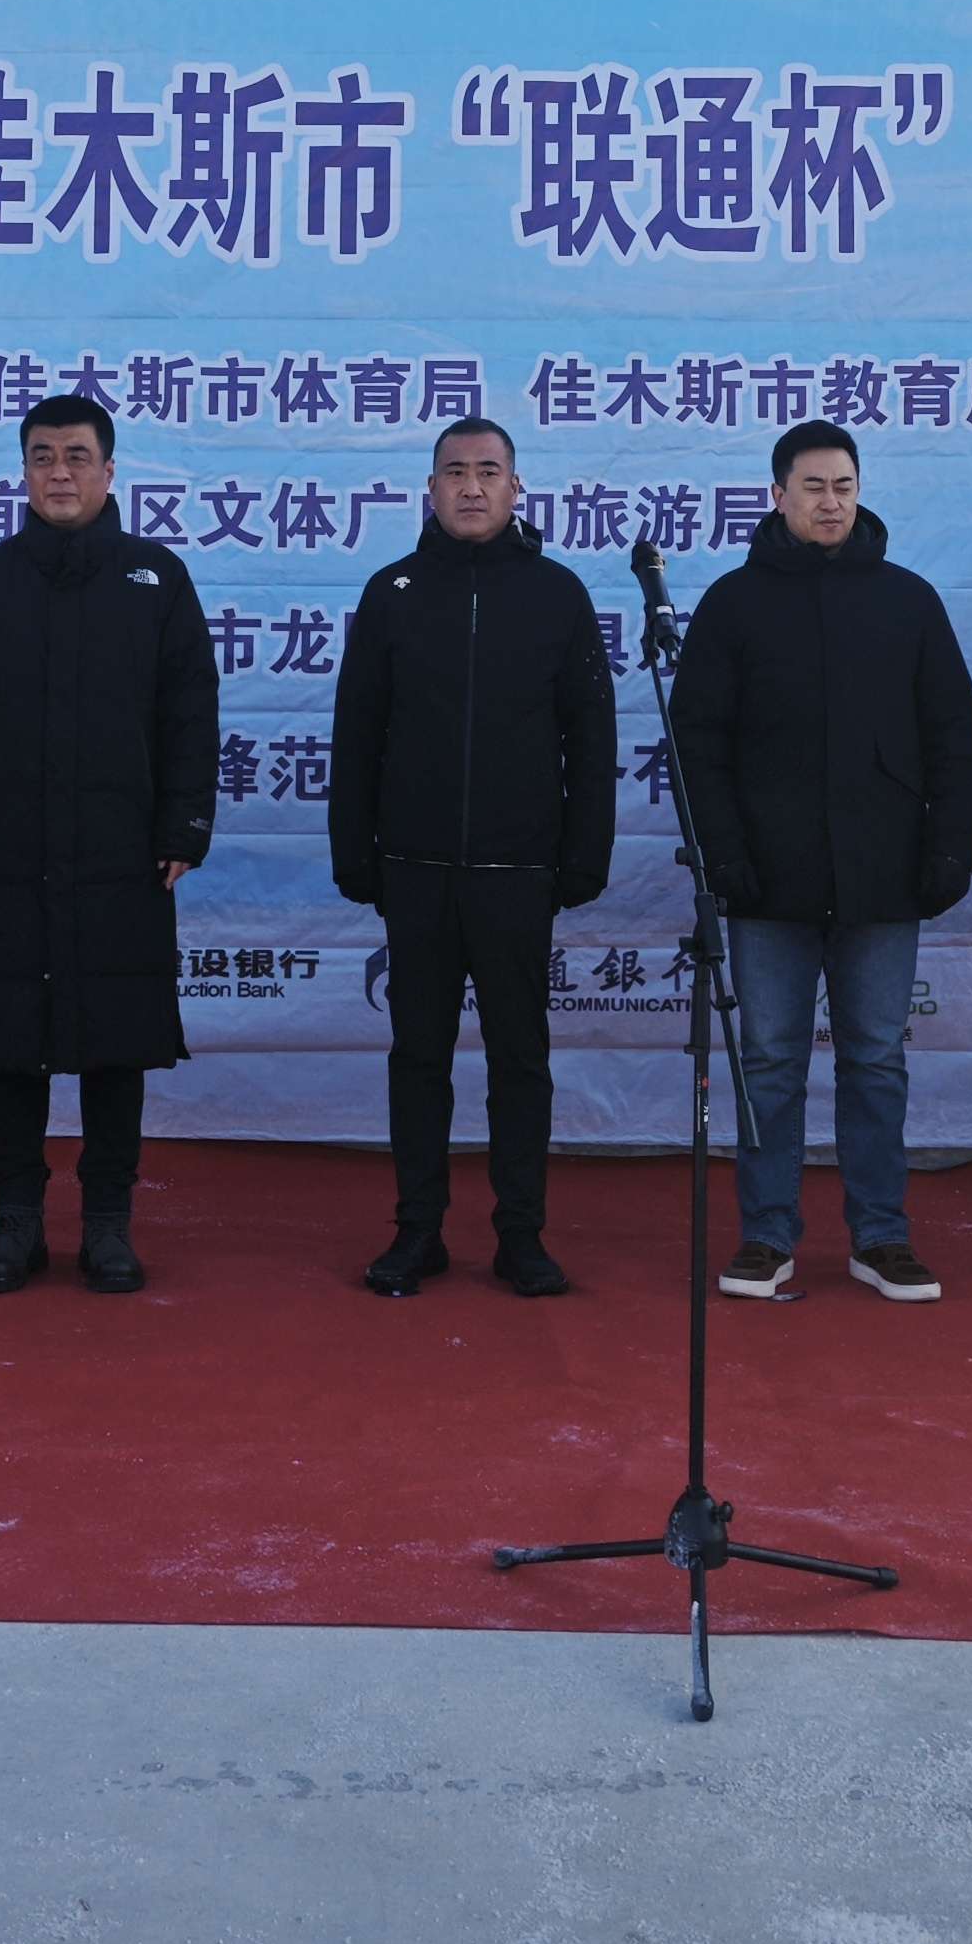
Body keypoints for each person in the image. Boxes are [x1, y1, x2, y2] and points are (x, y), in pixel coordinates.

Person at [0, 394, 220, 1297]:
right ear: (22, 473)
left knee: (116, 1038)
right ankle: (15, 1221)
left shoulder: (156, 577)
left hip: (125, 850)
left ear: (109, 472)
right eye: (43, 456)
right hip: (8, 848)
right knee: (12, 1039)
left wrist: (184, 828)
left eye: (77, 456)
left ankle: (108, 1222)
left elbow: (189, 713)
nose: (59, 473)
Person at [672, 421, 972, 1303]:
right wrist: (722, 856)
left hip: (884, 878)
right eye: (813, 486)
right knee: (769, 1060)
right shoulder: (735, 603)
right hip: (766, 882)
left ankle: (880, 1237)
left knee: (875, 1059)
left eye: (844, 485)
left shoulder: (907, 601)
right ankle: (766, 1236)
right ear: (777, 496)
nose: (831, 501)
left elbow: (954, 736)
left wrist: (949, 850)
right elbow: (699, 743)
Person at [328, 417, 621, 1298]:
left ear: (516, 488)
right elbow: (357, 734)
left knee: (519, 1061)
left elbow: (590, 737)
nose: (470, 486)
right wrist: (355, 852)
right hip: (413, 871)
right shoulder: (394, 591)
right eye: (454, 471)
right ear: (429, 489)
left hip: (518, 872)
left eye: (488, 471)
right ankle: (417, 1231)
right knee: (417, 1058)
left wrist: (584, 855)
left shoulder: (557, 595)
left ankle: (520, 1236)